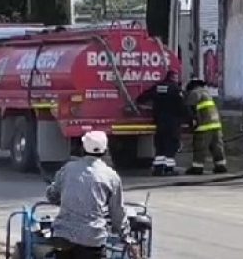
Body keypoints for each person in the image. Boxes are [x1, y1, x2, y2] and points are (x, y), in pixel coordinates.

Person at [45, 130, 131, 259]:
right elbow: (117, 214)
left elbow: (52, 195)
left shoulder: (68, 169)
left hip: (62, 235)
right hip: (92, 238)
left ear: (82, 148)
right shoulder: (111, 176)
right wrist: (126, 236)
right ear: (105, 150)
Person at [135, 68, 186, 176]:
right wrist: (190, 118)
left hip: (159, 121)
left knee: (160, 145)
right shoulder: (175, 89)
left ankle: (158, 169)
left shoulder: (158, 87)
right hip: (172, 122)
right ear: (173, 77)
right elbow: (182, 106)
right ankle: (169, 169)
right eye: (176, 77)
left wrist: (139, 102)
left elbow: (143, 97)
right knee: (171, 145)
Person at [184, 78, 228, 175]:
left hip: (204, 126)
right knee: (217, 147)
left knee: (200, 146)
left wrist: (191, 122)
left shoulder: (194, 93)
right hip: (216, 125)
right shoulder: (207, 94)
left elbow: (190, 109)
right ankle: (220, 166)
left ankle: (197, 167)